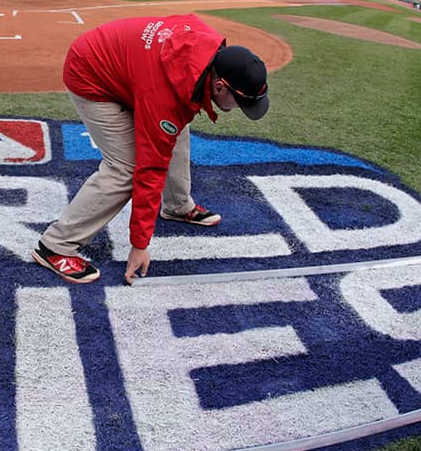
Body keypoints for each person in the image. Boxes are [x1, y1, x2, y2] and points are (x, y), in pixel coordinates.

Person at [32, 14, 270, 285]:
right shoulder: (165, 98)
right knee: (125, 167)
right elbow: (150, 169)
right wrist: (140, 244)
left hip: (130, 67)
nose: (240, 109)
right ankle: (55, 246)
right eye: (241, 103)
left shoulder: (208, 48)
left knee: (177, 130)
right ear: (219, 86)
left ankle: (177, 205)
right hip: (90, 71)